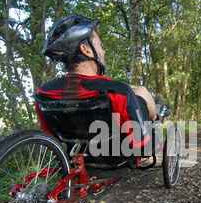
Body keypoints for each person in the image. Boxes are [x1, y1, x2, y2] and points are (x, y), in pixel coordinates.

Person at [35, 14, 163, 151]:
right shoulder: (118, 92)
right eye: (100, 45)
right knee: (141, 91)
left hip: (77, 157)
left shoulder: (43, 93)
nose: (103, 51)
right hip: (118, 157)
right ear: (86, 50)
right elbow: (140, 145)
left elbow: (50, 137)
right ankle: (157, 119)